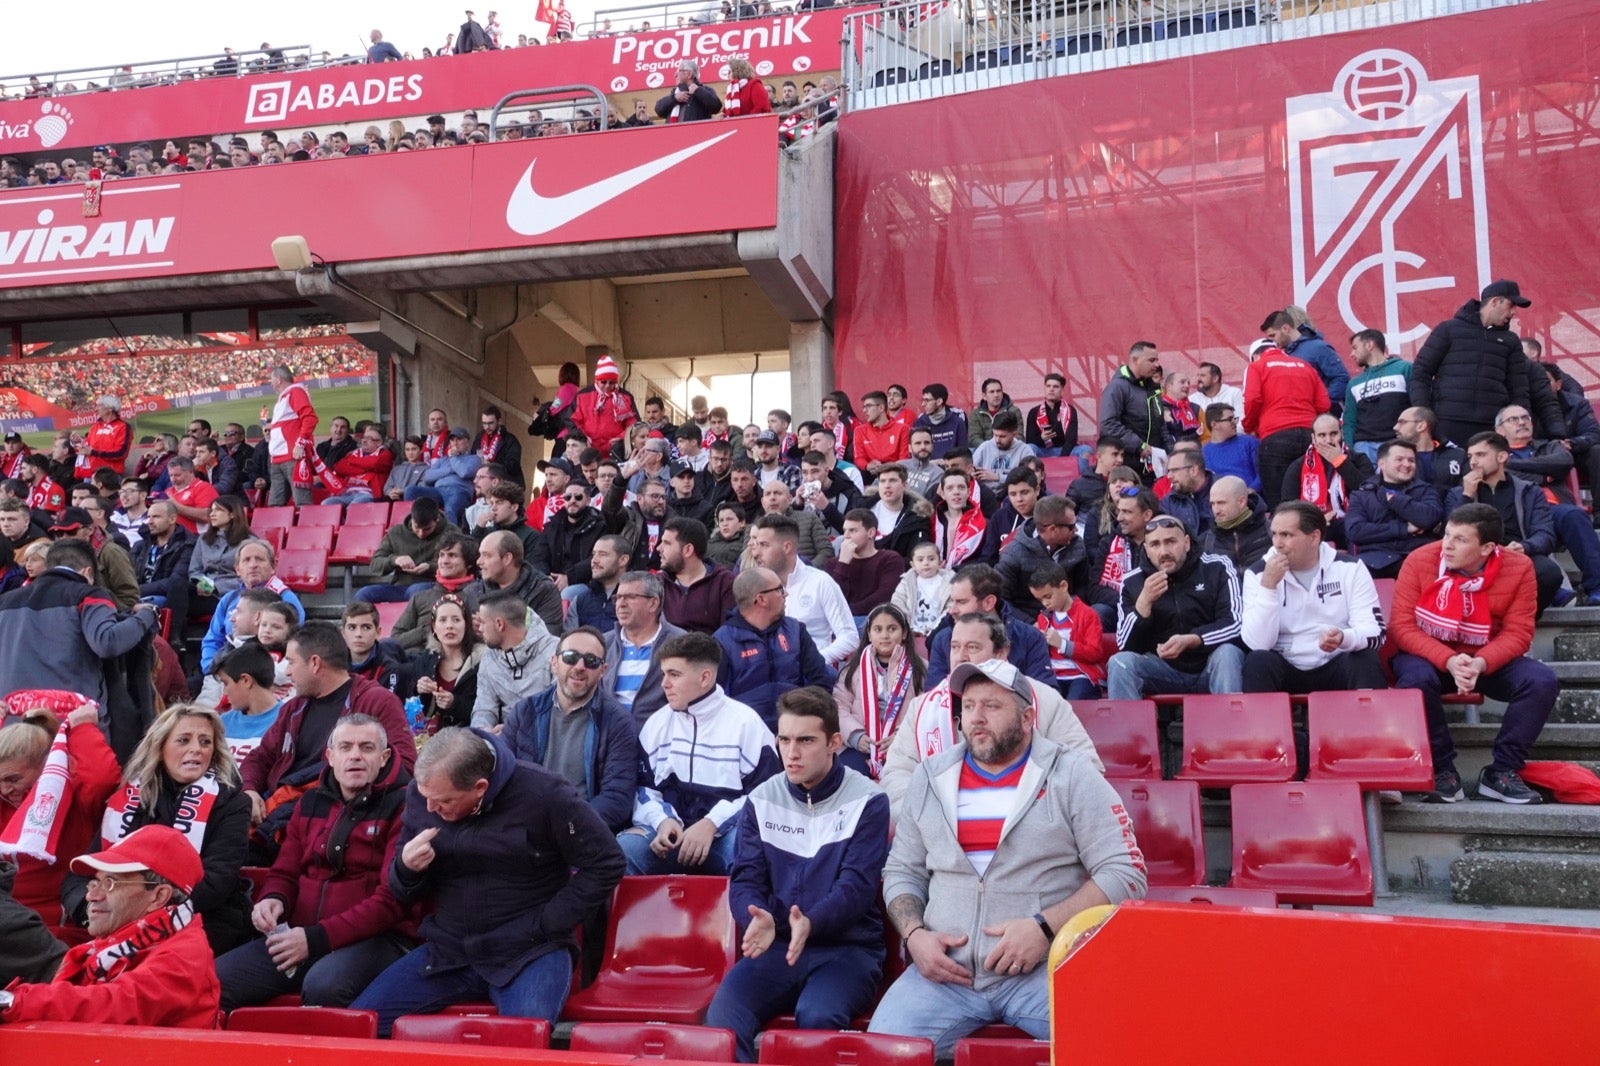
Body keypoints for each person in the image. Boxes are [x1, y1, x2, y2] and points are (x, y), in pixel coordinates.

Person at [868, 658, 1145, 1057]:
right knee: (879, 1054)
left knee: (1118, 1045)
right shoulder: (929, 778)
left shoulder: (1071, 774)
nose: (976, 718)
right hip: (946, 977)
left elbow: (1127, 871)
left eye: (992, 707)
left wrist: (1044, 928)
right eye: (969, 706)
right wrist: (914, 937)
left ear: (1028, 716)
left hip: (1047, 971)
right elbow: (901, 871)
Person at [351, 726, 625, 1034]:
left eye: (443, 802)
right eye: (426, 797)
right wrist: (405, 868)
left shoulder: (545, 793)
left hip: (529, 950)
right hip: (449, 950)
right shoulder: (425, 792)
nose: (430, 808)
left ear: (480, 787)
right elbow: (401, 890)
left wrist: (547, 923)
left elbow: (607, 862)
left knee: (522, 1043)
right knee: (358, 1028)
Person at [706, 687, 890, 1062]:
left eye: (806, 740)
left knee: (817, 1016)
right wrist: (754, 916)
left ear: (834, 743)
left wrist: (811, 921)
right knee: (723, 1018)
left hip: (848, 949)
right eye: (785, 740)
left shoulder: (869, 800)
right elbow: (746, 880)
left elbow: (856, 888)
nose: (792, 752)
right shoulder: (761, 799)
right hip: (777, 945)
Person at [214, 714, 415, 1009]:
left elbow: (391, 901)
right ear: (330, 757)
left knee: (324, 986)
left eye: (367, 748)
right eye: (346, 747)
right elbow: (285, 871)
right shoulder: (310, 802)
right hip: (301, 936)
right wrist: (273, 899)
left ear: (384, 757)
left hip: (376, 938)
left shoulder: (405, 806)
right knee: (216, 981)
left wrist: (315, 939)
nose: (355, 755)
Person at [1390, 503, 1557, 804]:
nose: (1447, 546)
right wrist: (1449, 660)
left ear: (1487, 548)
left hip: (1483, 657)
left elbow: (1518, 632)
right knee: (1414, 679)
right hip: (1430, 655)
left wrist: (1480, 662)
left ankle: (1502, 771)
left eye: (1460, 539)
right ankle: (1442, 771)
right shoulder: (1419, 560)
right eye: (1447, 534)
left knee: (1541, 680)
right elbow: (1402, 628)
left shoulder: (1519, 567)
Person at [65, 705, 252, 955]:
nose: (196, 748)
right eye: (184, 740)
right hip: (116, 919)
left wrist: (131, 913)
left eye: (205, 741)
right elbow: (79, 877)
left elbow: (216, 883)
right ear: (160, 746)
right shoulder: (128, 799)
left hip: (201, 923)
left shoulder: (232, 803)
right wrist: (93, 913)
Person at [879, 615, 1101, 817]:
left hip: (1031, 837)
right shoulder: (922, 709)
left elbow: (1087, 769)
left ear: (1002, 653)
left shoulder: (1044, 700)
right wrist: (931, 819)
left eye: (973, 647)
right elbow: (896, 776)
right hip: (940, 842)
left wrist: (1037, 818)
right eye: (955, 647)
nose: (960, 657)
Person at [0, 825, 218, 1027]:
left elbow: (116, 1005)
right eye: (94, 882)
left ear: (158, 896)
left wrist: (12, 1001)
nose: (91, 895)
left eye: (110, 883)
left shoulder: (185, 956)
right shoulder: (118, 944)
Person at [240, 623, 416, 851]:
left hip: (341, 817)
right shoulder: (293, 708)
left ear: (314, 663)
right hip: (282, 813)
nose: (287, 672)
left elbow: (406, 767)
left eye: (292, 662)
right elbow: (260, 757)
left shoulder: (377, 701)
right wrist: (249, 790)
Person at [621, 632, 780, 875]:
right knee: (623, 851)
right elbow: (644, 790)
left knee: (748, 853)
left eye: (674, 674)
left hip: (725, 835)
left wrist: (711, 824)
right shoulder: (657, 723)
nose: (664, 684)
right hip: (669, 833)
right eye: (664, 674)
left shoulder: (746, 723)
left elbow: (767, 795)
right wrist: (663, 821)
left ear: (705, 677)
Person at [0, 539, 159, 745]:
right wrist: (146, 616)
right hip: (71, 724)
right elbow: (108, 642)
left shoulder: (5, 601)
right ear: (87, 572)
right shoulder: (89, 594)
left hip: (12, 727)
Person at [0, 704, 120, 942]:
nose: (5, 789)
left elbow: (103, 779)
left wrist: (83, 729)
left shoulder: (75, 799)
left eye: (13, 779)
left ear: (46, 767)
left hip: (59, 930)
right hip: (7, 920)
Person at [1240, 502, 1387, 695]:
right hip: (1285, 664)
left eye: (1287, 535)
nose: (1277, 543)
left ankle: (1371, 725)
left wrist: (1344, 638)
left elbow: (1376, 632)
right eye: (1274, 534)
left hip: (1336, 660)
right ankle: (1263, 726)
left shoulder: (1350, 568)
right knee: (1257, 662)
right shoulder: (1258, 573)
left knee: (1365, 659)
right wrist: (1268, 587)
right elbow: (1257, 644)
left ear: (1314, 537)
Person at [503, 627, 640, 833]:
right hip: (524, 826)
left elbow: (616, 799)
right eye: (570, 657)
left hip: (581, 832)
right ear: (554, 662)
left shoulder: (617, 722)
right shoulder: (525, 712)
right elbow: (501, 775)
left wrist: (567, 827)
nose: (580, 666)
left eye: (591, 661)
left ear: (603, 670)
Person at [1107, 515, 1244, 699]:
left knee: (1228, 653)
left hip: (1211, 663)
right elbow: (1124, 645)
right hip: (1163, 669)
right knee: (1120, 663)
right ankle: (1131, 728)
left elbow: (1236, 624)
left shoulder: (1217, 567)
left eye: (1171, 541)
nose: (1164, 551)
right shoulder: (1133, 581)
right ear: (1146, 550)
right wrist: (1143, 604)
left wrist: (1194, 639)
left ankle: (1231, 727)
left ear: (1186, 542)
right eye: (1155, 545)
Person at [1446, 432, 1572, 613]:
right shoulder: (1458, 494)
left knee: (1549, 572)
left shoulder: (1529, 491)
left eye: (1480, 455)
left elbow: (1545, 533)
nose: (1473, 462)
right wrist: (1467, 496)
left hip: (1517, 554)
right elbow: (1449, 533)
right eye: (1470, 456)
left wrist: (1525, 547)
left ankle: (1522, 619)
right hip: (1475, 556)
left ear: (1502, 457)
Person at [1410, 280, 1537, 449]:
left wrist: (1517, 422)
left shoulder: (1510, 341)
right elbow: (1421, 373)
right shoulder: (1448, 329)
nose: (1514, 312)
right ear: (1495, 302)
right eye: (1511, 305)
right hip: (1447, 421)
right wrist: (1425, 415)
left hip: (1491, 426)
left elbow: (1519, 388)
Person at [714, 568, 836, 730]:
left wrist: (797, 724)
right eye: (779, 589)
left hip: (796, 727)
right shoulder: (722, 641)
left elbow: (820, 682)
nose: (786, 594)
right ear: (761, 599)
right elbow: (716, 698)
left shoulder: (796, 631)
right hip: (746, 731)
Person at [747, 513, 859, 667]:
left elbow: (850, 637)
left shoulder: (821, 582)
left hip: (811, 677)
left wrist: (814, 660)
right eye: (756, 545)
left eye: (764, 545)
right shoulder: (754, 588)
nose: (756, 553)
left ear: (787, 547)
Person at [1246, 337, 1332, 508]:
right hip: (1310, 435)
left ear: (1256, 356)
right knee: (1315, 498)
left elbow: (1252, 399)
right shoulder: (1306, 366)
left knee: (1280, 503)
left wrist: (1250, 426)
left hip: (1275, 437)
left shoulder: (1256, 367)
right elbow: (1324, 404)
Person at [1344, 440, 1445, 577]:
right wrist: (1404, 529)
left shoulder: (1426, 490)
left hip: (1419, 558)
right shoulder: (1362, 494)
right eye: (1399, 459)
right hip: (1375, 562)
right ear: (1381, 464)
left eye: (1411, 460)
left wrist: (1394, 500)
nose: (1407, 464)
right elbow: (1355, 531)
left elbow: (1429, 517)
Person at [601, 571, 687, 727]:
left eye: (630, 597)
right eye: (618, 597)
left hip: (660, 738)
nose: (621, 604)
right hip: (611, 738)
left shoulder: (680, 643)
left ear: (653, 603)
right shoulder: (604, 644)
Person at [472, 590, 561, 729]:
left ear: (499, 624)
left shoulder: (556, 651)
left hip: (546, 738)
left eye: (483, 622)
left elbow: (559, 709)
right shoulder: (489, 657)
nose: (480, 628)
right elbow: (484, 709)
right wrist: (484, 733)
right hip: (504, 741)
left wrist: (514, 733)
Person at [1027, 562, 1107, 700]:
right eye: (1040, 600)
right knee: (1044, 704)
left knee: (1072, 706)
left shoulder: (1088, 614)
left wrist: (1062, 644)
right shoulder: (1043, 618)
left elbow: (1095, 652)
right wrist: (1037, 641)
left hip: (1081, 676)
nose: (1045, 603)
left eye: (1048, 596)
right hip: (1052, 676)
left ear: (1063, 586)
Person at [389, 533, 480, 652]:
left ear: (469, 563)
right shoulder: (420, 598)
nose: (444, 561)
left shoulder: (479, 596)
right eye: (441, 555)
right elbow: (395, 640)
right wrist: (428, 630)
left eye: (452, 555)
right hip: (420, 664)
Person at [407, 595, 484, 733]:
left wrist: (454, 703)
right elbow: (413, 711)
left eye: (456, 620)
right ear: (434, 627)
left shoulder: (483, 661)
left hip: (469, 736)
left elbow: (488, 710)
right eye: (442, 620)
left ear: (466, 625)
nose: (449, 626)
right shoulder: (424, 661)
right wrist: (419, 690)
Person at [469, 530, 565, 634]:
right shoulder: (473, 592)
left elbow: (547, 639)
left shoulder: (543, 591)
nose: (479, 562)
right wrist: (469, 630)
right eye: (480, 555)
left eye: (486, 555)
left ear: (507, 558)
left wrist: (494, 630)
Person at [1261, 308, 1349, 418]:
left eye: (1273, 336)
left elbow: (1341, 378)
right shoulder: (1282, 354)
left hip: (1324, 417)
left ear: (1286, 328)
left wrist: (1322, 405)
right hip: (1297, 418)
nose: (1271, 341)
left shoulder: (1318, 347)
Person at [360, 497, 450, 604]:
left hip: (431, 585)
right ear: (412, 520)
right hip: (399, 587)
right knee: (363, 594)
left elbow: (460, 564)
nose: (421, 533)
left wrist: (430, 567)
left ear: (437, 519)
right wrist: (395, 560)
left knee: (417, 591)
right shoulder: (396, 532)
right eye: (417, 527)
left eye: (427, 529)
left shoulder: (450, 533)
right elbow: (375, 564)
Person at [1343, 329, 1412, 464]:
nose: (1351, 354)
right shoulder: (1353, 383)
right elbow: (1349, 421)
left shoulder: (1404, 369)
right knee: (1365, 485)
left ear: (1369, 345)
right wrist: (1351, 450)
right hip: (1363, 447)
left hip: (1397, 443)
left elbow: (1417, 405)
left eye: (1355, 348)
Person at [1098, 342, 1166, 478]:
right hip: (1127, 466)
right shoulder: (1117, 387)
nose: (1157, 365)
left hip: (1153, 465)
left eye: (1157, 360)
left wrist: (1171, 451)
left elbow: (1160, 424)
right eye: (1151, 360)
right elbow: (1108, 424)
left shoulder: (1152, 388)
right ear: (1135, 360)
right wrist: (1139, 446)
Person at [823, 509, 905, 619]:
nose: (846, 536)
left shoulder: (890, 559)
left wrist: (847, 612)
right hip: (839, 621)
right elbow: (831, 600)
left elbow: (884, 597)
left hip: (875, 619)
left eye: (853, 530)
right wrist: (843, 564)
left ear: (871, 533)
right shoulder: (832, 564)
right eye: (845, 530)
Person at [263, 364, 319, 507]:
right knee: (275, 504)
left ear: (278, 380)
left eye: (271, 379)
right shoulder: (285, 396)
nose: (270, 383)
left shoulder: (295, 393)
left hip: (292, 457)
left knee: (302, 501)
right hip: (279, 458)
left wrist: (299, 444)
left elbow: (310, 418)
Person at [1199, 476, 1271, 572]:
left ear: (1241, 502)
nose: (1216, 510)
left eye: (1221, 503)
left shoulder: (1272, 532)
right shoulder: (1204, 542)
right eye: (1212, 504)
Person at [1394, 406, 1468, 494]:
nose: (1395, 427)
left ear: (1421, 426)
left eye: (1402, 422)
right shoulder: (1393, 457)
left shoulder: (1458, 455)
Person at [892, 542, 954, 638]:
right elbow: (897, 600)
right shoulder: (907, 581)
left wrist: (936, 627)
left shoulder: (949, 582)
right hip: (912, 630)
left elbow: (950, 606)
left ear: (940, 562)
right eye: (920, 560)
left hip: (939, 629)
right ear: (912, 564)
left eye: (931, 559)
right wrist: (906, 625)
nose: (926, 563)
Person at [1201, 403, 1259, 491]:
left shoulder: (1249, 442)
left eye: (1234, 418)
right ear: (1214, 425)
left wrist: (1252, 489)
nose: (1235, 423)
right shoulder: (1204, 453)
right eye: (1230, 419)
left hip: (1251, 498)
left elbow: (1263, 472)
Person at [1160, 449, 1213, 537]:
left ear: (1194, 470)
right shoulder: (1169, 501)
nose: (1169, 476)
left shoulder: (1224, 490)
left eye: (1174, 470)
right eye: (1168, 471)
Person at [75, 395, 131, 478]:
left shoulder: (123, 427)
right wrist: (78, 442)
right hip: (91, 474)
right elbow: (87, 446)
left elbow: (121, 453)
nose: (96, 409)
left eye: (99, 406)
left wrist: (94, 452)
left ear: (110, 409)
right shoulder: (95, 426)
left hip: (110, 475)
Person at [1024, 373, 1078, 457]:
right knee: (1029, 448)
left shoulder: (1070, 411)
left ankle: (1085, 471)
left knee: (1085, 450)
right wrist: (1041, 438)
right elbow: (1029, 441)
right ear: (1044, 389)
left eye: (1055, 387)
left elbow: (1071, 440)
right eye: (1048, 386)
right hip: (1043, 450)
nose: (1051, 389)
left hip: (1063, 449)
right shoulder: (1034, 412)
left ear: (1062, 390)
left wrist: (1061, 458)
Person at [657, 59, 723, 120]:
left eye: (678, 71)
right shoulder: (675, 93)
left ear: (689, 74)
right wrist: (674, 98)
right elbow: (659, 110)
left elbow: (716, 107)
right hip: (672, 132)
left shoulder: (705, 90)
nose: (675, 75)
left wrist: (698, 91)